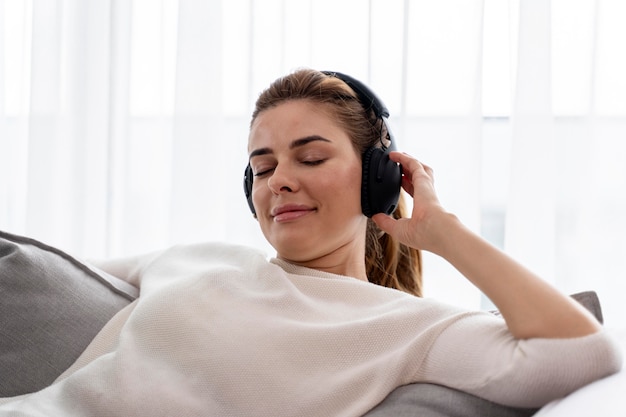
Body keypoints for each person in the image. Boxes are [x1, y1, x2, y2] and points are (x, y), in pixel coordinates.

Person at [0, 68, 622, 416]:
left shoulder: (407, 327)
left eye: (311, 156)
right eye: (263, 167)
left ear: (378, 176)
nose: (282, 180)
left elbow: (584, 357)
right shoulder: (194, 258)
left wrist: (444, 233)